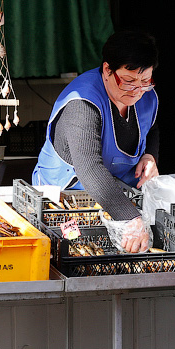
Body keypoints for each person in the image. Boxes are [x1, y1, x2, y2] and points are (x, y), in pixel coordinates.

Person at [33, 30, 160, 252]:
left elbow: (151, 125)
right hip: (67, 203)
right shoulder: (82, 103)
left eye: (146, 81)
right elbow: (89, 168)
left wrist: (150, 155)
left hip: (116, 200)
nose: (138, 90)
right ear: (107, 70)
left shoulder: (144, 94)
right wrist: (130, 218)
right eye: (128, 81)